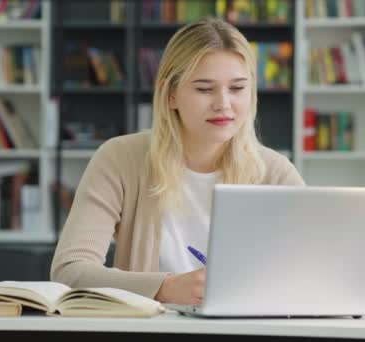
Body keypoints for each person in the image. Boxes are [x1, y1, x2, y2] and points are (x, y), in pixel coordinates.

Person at [50, 17, 305, 305]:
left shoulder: (275, 173)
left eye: (237, 88)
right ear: (171, 94)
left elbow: (313, 273)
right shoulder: (120, 159)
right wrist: (165, 288)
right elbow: (70, 272)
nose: (223, 103)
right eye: (204, 89)